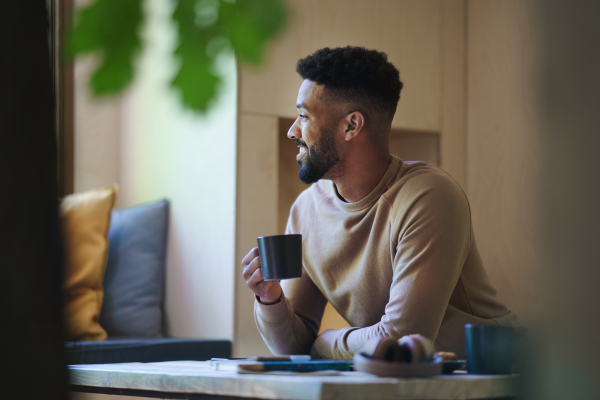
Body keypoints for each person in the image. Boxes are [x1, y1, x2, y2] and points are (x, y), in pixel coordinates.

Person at [241, 46, 518, 360]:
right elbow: (294, 345)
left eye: (304, 116)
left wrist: (324, 344)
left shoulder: (429, 196)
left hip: (491, 376)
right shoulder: (306, 210)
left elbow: (402, 339)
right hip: (398, 379)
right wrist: (270, 299)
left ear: (351, 125)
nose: (293, 130)